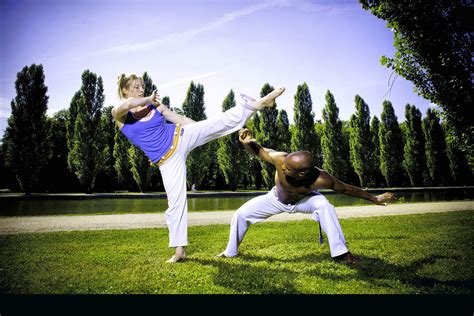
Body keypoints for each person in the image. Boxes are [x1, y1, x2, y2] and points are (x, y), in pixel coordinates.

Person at [112, 73, 285, 263]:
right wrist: (148, 98)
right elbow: (127, 105)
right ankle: (179, 251)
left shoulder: (155, 106)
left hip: (180, 136)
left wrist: (204, 130)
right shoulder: (120, 115)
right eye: (136, 87)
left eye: (142, 86)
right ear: (125, 90)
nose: (141, 89)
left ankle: (260, 103)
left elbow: (178, 118)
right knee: (176, 203)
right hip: (167, 160)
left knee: (216, 122)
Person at [217, 128, 396, 263]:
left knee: (324, 205)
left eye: (289, 169)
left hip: (305, 200)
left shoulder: (321, 179)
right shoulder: (281, 160)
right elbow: (259, 152)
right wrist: (247, 142)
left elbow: (346, 189)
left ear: (302, 173)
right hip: (276, 199)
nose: (284, 168)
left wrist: (374, 198)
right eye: (284, 165)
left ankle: (341, 253)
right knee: (241, 214)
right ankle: (230, 252)